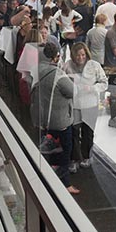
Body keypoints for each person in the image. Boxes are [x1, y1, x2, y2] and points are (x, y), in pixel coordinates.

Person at [31, 42, 78, 194]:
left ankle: (46, 179)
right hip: (60, 121)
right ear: (56, 57)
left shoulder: (36, 70)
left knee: (47, 150)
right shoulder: (57, 74)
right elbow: (72, 91)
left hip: (42, 119)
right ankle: (64, 185)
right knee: (64, 152)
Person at [63, 43, 108, 171]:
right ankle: (75, 159)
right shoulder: (67, 66)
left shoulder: (94, 65)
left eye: (83, 55)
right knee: (74, 132)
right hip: (75, 105)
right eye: (77, 55)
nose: (80, 58)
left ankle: (86, 156)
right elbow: (62, 82)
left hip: (90, 104)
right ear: (73, 55)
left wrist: (92, 88)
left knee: (88, 132)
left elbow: (104, 83)